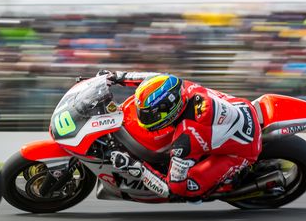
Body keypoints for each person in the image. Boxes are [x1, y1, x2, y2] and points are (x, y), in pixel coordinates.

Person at [102, 70, 264, 199]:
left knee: (188, 189)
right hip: (241, 107)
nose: (143, 118)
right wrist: (116, 77)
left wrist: (135, 168)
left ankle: (228, 182)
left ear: (168, 111)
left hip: (242, 149)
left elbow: (171, 189)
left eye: (150, 115)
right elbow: (150, 79)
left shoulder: (186, 139)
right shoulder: (179, 86)